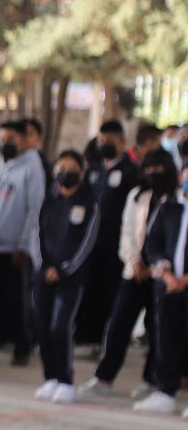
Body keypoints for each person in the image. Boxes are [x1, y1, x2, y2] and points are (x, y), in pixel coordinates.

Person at [80, 147, 177, 399]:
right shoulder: (137, 195)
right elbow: (126, 233)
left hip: (162, 275)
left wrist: (156, 267)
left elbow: (174, 241)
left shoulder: (176, 201)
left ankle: (151, 380)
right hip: (133, 274)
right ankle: (104, 377)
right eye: (149, 169)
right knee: (118, 324)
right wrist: (134, 261)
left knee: (158, 331)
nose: (153, 173)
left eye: (159, 169)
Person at [0, 121, 46, 365]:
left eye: (11, 138)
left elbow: (35, 208)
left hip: (17, 248)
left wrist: (25, 244)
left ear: (25, 140)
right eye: (2, 138)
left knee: (18, 300)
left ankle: (22, 346)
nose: (6, 143)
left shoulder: (33, 167)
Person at [32, 151, 99, 405]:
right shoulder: (48, 201)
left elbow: (86, 243)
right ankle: (50, 377)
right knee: (41, 327)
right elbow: (36, 234)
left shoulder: (89, 204)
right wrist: (44, 266)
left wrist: (63, 269)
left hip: (70, 278)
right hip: (43, 274)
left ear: (81, 174)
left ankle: (65, 380)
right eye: (61, 167)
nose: (65, 173)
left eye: (72, 168)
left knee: (60, 327)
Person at [75, 120, 139, 348]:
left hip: (116, 242)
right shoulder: (94, 169)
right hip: (92, 242)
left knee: (112, 290)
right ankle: (88, 335)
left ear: (122, 142)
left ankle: (109, 338)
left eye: (109, 142)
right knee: (91, 288)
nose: (104, 145)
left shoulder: (131, 171)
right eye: (101, 141)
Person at [135, 159, 188, 417]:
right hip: (167, 286)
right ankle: (165, 391)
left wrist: (185, 279)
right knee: (166, 339)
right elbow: (152, 243)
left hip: (185, 283)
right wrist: (166, 273)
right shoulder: (169, 207)